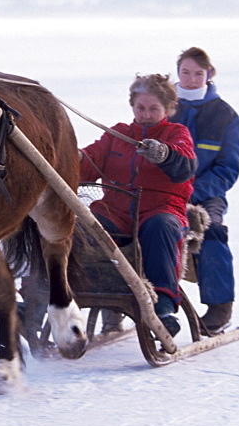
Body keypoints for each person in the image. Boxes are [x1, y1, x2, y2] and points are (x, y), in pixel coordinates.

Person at [79, 73, 196, 336]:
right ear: (132, 106)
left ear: (167, 109)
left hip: (160, 209)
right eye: (141, 108)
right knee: (80, 230)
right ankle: (46, 295)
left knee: (160, 228)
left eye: (154, 109)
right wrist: (70, 159)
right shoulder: (117, 134)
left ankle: (163, 305)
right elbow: (89, 161)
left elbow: (185, 165)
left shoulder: (177, 133)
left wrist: (164, 154)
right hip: (115, 210)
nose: (145, 114)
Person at [169, 47, 239, 333]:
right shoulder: (162, 105)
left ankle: (219, 307)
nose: (191, 79)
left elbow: (228, 169)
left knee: (211, 231)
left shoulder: (224, 115)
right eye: (185, 72)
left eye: (198, 73)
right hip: (160, 189)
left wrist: (192, 190)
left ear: (209, 75)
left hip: (206, 195)